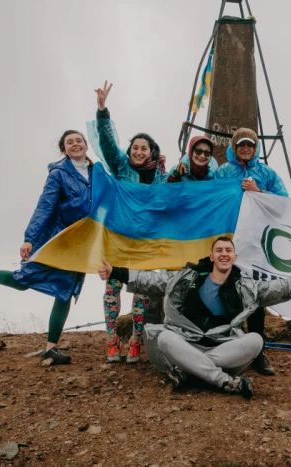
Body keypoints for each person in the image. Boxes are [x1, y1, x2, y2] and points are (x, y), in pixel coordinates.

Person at [97, 237, 291, 398]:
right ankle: (223, 380)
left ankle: (191, 371)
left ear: (234, 256)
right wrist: (115, 272)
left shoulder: (247, 287)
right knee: (165, 338)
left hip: (221, 346)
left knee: (255, 340)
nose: (223, 254)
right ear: (211, 257)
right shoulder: (187, 279)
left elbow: (282, 288)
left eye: (228, 251)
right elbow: (152, 281)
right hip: (185, 341)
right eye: (219, 250)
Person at [0, 130, 92, 365]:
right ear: (64, 149)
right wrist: (30, 238)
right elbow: (45, 206)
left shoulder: (97, 173)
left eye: (79, 140)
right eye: (70, 142)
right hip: (54, 239)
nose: (75, 144)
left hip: (79, 243)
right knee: (22, 282)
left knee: (65, 290)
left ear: (86, 145)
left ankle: (50, 349)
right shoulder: (59, 174)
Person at [91, 81, 167, 364]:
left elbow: (171, 198)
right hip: (118, 237)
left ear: (151, 151)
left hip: (146, 240)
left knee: (142, 290)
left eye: (143, 148)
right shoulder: (121, 166)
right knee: (112, 287)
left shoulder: (160, 175)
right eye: (135, 147)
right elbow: (108, 144)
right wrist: (102, 111)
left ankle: (136, 340)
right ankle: (111, 340)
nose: (138, 152)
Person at [216, 128, 290, 376]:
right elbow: (206, 196)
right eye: (241, 145)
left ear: (255, 147)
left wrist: (259, 193)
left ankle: (258, 352)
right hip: (228, 241)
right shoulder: (223, 172)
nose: (246, 149)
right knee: (226, 294)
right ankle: (227, 350)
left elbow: (284, 203)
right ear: (234, 148)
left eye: (250, 145)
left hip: (257, 242)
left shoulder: (267, 173)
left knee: (256, 296)